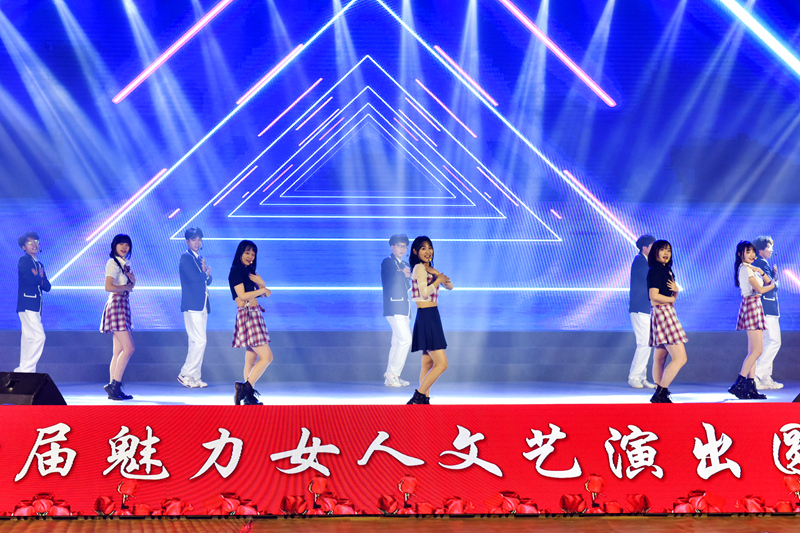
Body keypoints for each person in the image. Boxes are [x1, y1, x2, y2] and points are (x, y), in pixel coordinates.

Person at [406, 236, 453, 405]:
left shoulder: (430, 269)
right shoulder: (419, 268)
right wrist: (438, 279)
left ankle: (424, 399)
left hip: (431, 315)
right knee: (442, 364)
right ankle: (418, 396)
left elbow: (450, 286)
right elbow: (424, 293)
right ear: (415, 251)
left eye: (430, 247)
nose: (428, 251)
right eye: (423, 248)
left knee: (427, 362)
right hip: (427, 316)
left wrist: (437, 274)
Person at [228, 240, 274, 405]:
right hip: (248, 315)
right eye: (247, 253)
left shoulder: (248, 272)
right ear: (240, 253)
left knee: (251, 358)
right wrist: (262, 290)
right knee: (267, 357)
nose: (250, 256)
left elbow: (260, 293)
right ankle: (244, 388)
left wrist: (261, 286)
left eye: (253, 254)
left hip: (254, 314)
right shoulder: (236, 271)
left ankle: (248, 396)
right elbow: (242, 296)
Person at [728, 240, 775, 400]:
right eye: (748, 251)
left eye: (753, 251)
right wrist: (773, 286)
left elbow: (767, 281)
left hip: (755, 306)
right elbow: (761, 288)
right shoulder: (745, 269)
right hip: (752, 306)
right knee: (757, 351)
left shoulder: (750, 269)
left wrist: (760, 271)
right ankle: (739, 384)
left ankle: (750, 386)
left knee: (753, 351)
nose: (752, 254)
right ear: (740, 254)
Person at [646, 240, 687, 403]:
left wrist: (675, 292)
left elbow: (670, 296)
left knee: (660, 357)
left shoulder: (667, 270)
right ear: (655, 252)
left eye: (668, 250)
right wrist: (671, 299)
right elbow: (653, 297)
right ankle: (661, 393)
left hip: (665, 312)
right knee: (680, 358)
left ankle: (659, 391)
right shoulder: (656, 270)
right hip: (663, 313)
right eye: (662, 250)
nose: (666, 253)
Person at [100, 234, 136, 401]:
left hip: (123, 304)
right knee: (129, 348)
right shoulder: (113, 263)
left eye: (127, 245)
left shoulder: (124, 264)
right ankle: (114, 386)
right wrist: (127, 286)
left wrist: (131, 282)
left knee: (118, 351)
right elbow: (108, 287)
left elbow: (129, 287)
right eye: (121, 244)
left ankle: (113, 388)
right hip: (116, 304)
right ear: (114, 246)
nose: (124, 247)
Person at [178, 228, 212, 388]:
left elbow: (206, 280)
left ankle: (194, 376)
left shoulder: (198, 258)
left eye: (199, 239)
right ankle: (185, 373)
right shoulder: (186, 257)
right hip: (192, 305)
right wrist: (205, 274)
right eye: (193, 239)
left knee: (195, 342)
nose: (197, 242)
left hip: (202, 304)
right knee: (200, 341)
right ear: (187, 241)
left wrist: (206, 273)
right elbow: (193, 278)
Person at [15, 231, 51, 373]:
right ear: (24, 247)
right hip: (27, 303)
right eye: (30, 242)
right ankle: (25, 369)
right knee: (39, 336)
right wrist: (38, 279)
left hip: (35, 306)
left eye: (36, 241)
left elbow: (47, 286)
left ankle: (26, 372)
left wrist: (39, 278)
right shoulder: (24, 260)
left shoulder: (39, 264)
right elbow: (29, 279)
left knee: (29, 338)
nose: (34, 244)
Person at [381, 234, 412, 387]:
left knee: (397, 342)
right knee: (406, 339)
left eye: (404, 246)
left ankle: (391, 376)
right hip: (394, 307)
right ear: (392, 246)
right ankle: (393, 374)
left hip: (405, 308)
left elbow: (410, 283)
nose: (402, 249)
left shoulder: (405, 263)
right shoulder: (388, 262)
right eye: (399, 246)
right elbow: (390, 279)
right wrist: (403, 273)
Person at [752, 236, 782, 390]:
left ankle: (765, 378)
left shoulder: (763, 264)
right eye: (769, 247)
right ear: (761, 250)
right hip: (767, 309)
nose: (771, 250)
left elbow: (770, 283)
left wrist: (774, 277)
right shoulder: (760, 263)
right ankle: (756, 375)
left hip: (767, 308)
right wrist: (775, 282)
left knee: (767, 343)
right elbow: (771, 286)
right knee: (774, 341)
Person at [628, 234, 656, 389]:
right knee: (644, 343)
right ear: (644, 248)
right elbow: (649, 278)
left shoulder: (645, 261)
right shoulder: (640, 261)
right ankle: (634, 377)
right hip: (640, 308)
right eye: (652, 246)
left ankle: (641, 376)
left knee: (647, 343)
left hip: (645, 308)